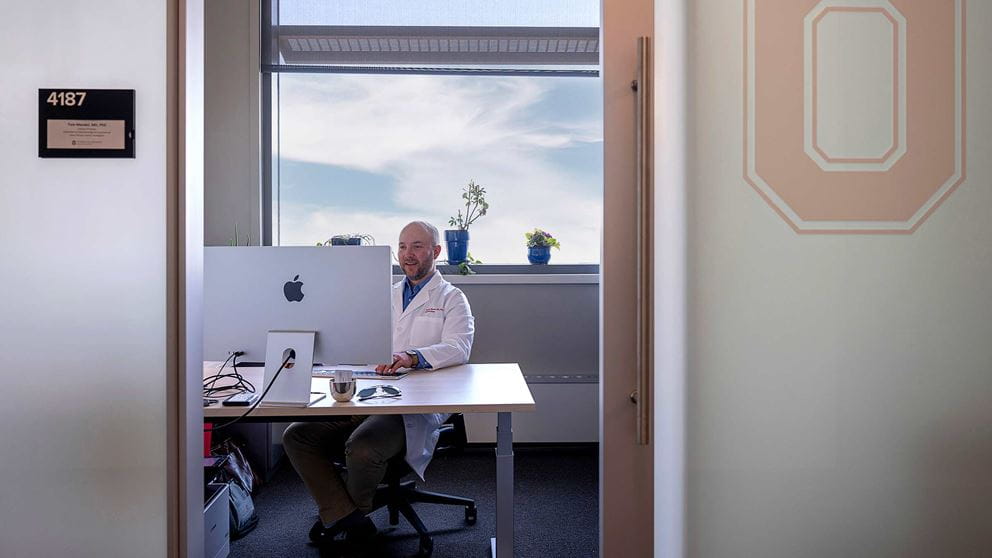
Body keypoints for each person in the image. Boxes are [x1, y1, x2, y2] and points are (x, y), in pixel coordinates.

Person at [282, 220, 475, 547]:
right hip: (369, 394)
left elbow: (459, 347)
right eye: (402, 246)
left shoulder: (452, 298)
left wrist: (412, 357)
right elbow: (356, 337)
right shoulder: (384, 295)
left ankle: (348, 530)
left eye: (417, 246)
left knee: (363, 447)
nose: (408, 254)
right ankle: (348, 519)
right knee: (297, 435)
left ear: (436, 251)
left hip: (413, 404)